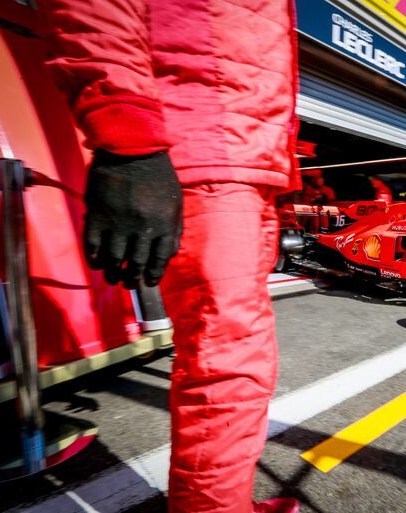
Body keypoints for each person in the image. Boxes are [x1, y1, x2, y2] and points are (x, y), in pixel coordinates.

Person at [39, 1, 300, 512]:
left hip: (242, 152)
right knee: (226, 359)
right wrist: (128, 140)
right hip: (209, 140)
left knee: (231, 353)